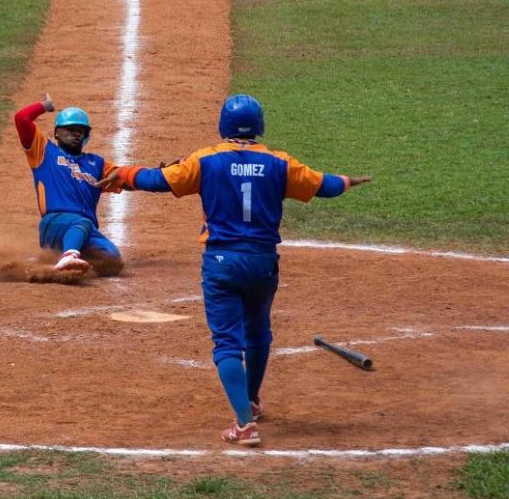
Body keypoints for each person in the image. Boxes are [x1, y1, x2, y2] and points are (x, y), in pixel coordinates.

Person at [96, 94, 371, 445]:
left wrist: (124, 175)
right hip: (263, 262)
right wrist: (348, 180)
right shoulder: (279, 163)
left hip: (222, 263)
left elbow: (158, 180)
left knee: (227, 341)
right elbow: (325, 186)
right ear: (259, 126)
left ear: (223, 125)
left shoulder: (207, 160)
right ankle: (252, 403)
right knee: (258, 332)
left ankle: (244, 426)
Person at [13, 93, 124, 277]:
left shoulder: (96, 163)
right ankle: (69, 255)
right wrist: (44, 105)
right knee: (82, 221)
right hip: (54, 223)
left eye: (81, 131)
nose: (76, 134)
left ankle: (52, 264)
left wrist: (158, 173)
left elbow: (126, 177)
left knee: (112, 258)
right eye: (71, 129)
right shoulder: (43, 151)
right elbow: (21, 119)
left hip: (84, 231)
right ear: (57, 132)